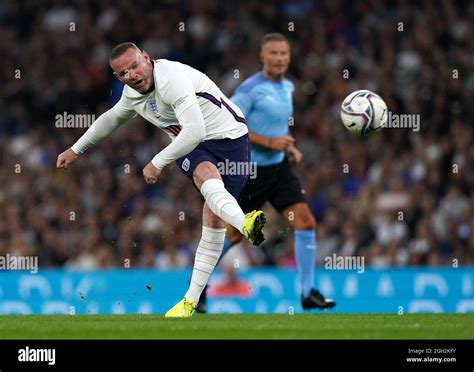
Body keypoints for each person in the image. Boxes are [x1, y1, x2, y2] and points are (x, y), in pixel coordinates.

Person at [56, 42, 266, 318]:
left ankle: (192, 297)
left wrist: (158, 161)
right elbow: (110, 119)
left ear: (146, 58)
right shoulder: (131, 95)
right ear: (118, 78)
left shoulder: (171, 79)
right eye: (123, 73)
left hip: (230, 137)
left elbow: (195, 129)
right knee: (206, 178)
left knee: (214, 218)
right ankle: (193, 299)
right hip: (193, 145)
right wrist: (75, 149)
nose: (131, 74)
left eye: (134, 66)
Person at [197, 33, 335, 313]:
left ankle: (308, 293)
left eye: (284, 53)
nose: (280, 58)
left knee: (305, 222)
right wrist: (270, 142)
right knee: (235, 235)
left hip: (279, 170)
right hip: (251, 172)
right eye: (273, 53)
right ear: (262, 57)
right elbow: (230, 125)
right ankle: (198, 284)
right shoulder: (249, 90)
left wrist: (288, 147)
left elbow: (276, 125)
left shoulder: (288, 87)